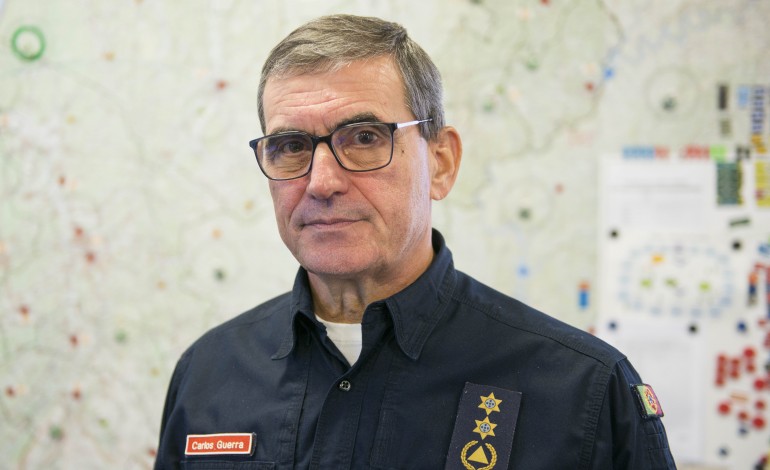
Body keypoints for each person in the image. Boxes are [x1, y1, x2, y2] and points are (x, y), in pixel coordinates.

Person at [154, 14, 676, 470]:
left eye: (364, 138)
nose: (321, 182)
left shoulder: (584, 390)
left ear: (441, 163)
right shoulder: (207, 374)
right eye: (291, 146)